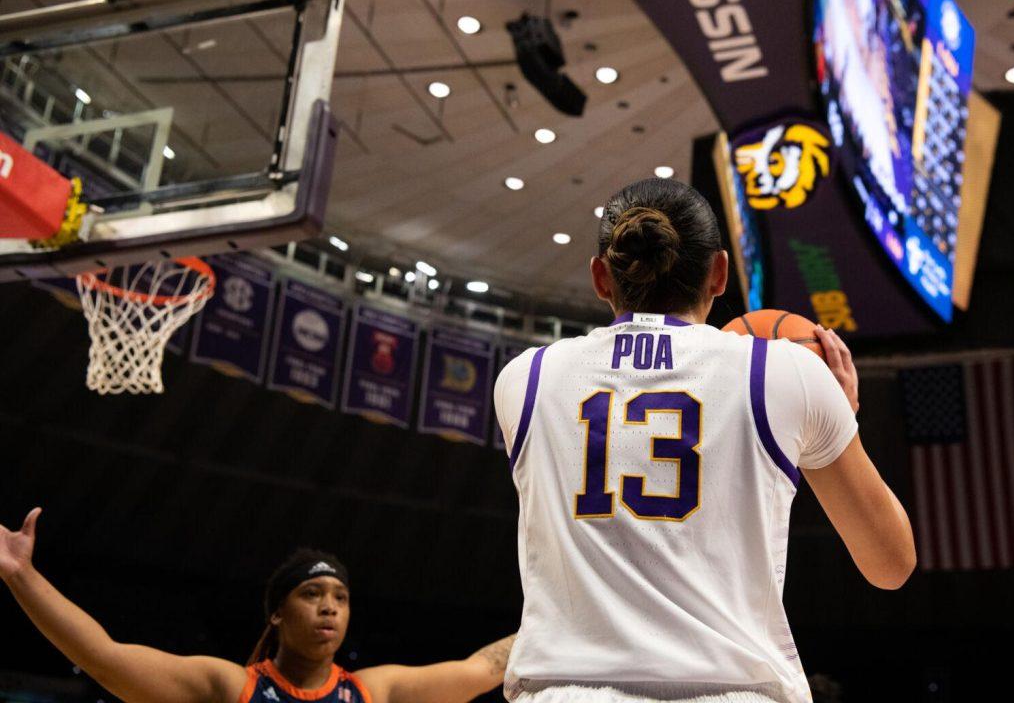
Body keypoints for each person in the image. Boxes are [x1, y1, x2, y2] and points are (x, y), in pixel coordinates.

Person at [494, 178, 915, 703]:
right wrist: (838, 419)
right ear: (719, 273)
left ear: (601, 277)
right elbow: (891, 566)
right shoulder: (785, 372)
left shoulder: (525, 377)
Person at [0, 518, 514, 703]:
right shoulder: (230, 688)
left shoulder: (372, 692)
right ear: (276, 615)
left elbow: (478, 671)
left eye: (340, 597)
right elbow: (102, 655)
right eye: (311, 595)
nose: (329, 607)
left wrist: (564, 614)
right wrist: (21, 574)